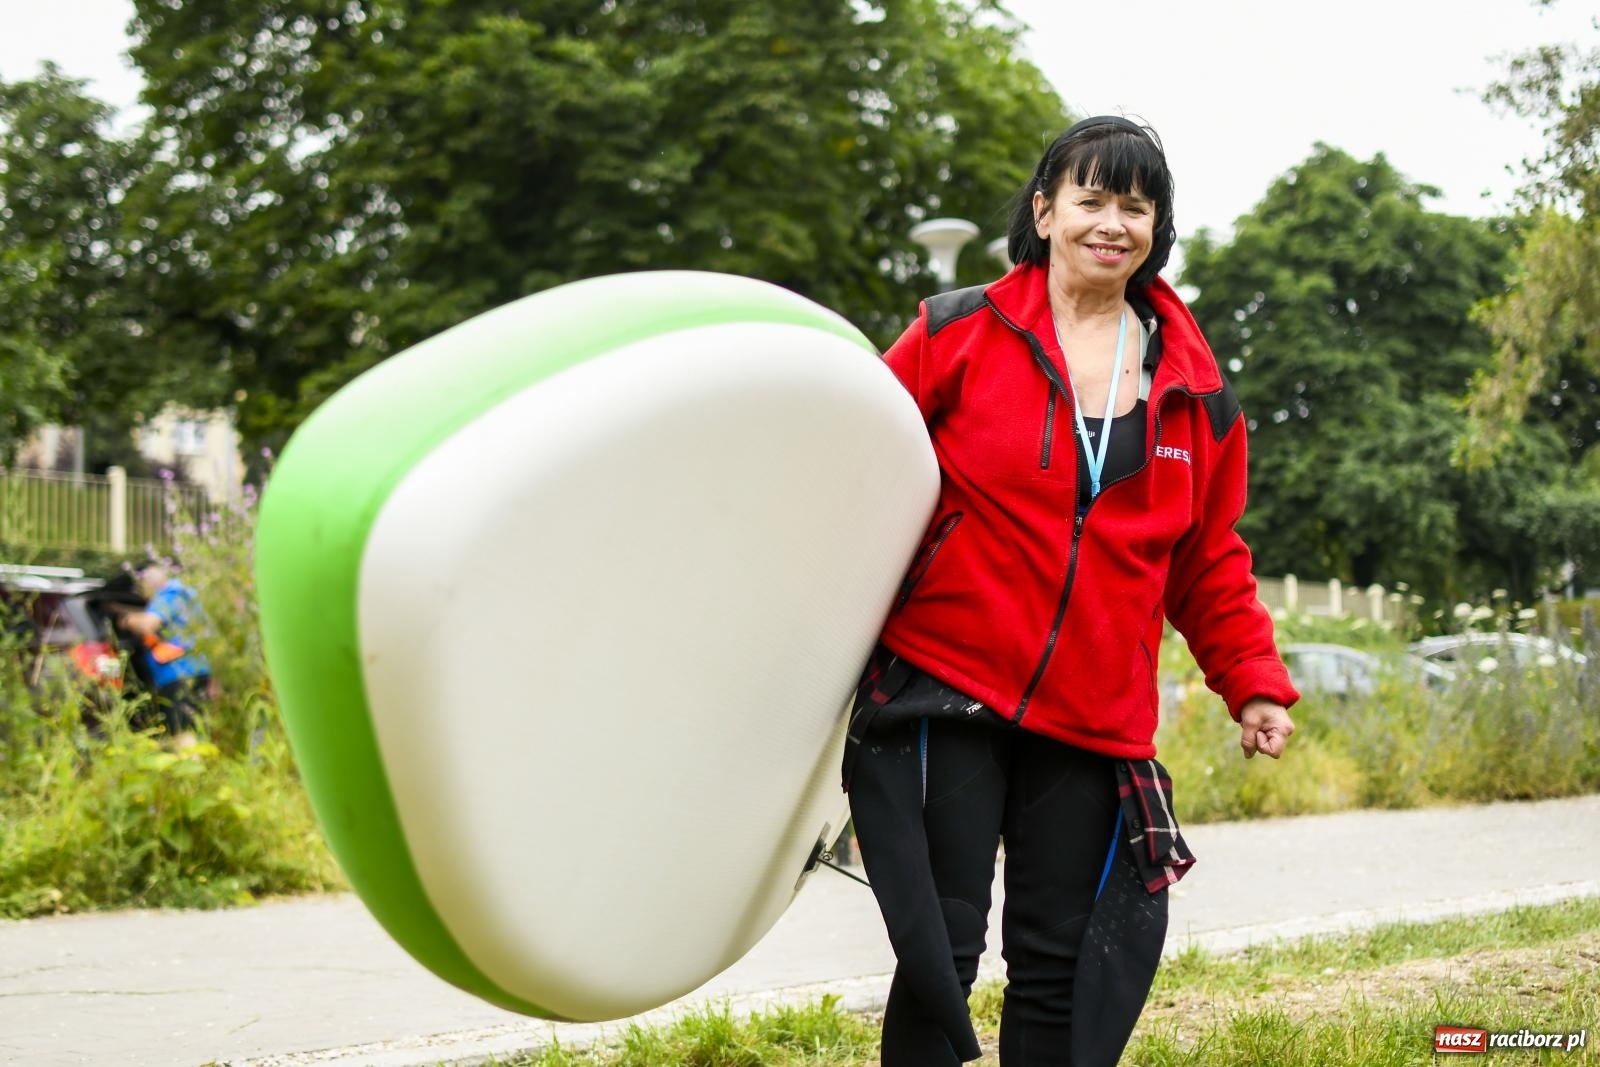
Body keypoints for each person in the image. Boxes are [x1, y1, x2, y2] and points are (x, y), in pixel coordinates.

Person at [842, 115, 1300, 1067]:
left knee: (1061, 967)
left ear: (1156, 228)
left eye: (1136, 206)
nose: (1112, 223)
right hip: (946, 687)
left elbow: (1207, 554)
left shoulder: (1196, 388)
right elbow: (857, 470)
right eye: (1091, 199)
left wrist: (1252, 681)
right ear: (1045, 212)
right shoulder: (955, 331)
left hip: (1094, 712)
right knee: (940, 951)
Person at [114, 560, 213, 748]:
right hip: (197, 670)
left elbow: (148, 625)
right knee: (196, 727)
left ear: (148, 582)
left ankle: (191, 765)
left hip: (178, 673)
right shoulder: (187, 595)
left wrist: (126, 621)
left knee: (184, 732)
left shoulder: (168, 595)